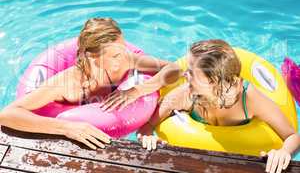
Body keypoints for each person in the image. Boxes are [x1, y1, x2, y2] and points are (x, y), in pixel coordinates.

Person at [0, 18, 181, 150]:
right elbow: (7, 114)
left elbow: (173, 69)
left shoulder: (125, 58)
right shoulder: (68, 82)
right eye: (115, 55)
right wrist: (68, 127)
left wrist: (137, 91)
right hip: (70, 147)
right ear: (91, 56)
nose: (123, 57)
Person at [136, 39, 300, 173]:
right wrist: (147, 137)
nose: (185, 75)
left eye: (191, 72)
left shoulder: (248, 98)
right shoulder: (185, 94)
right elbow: (148, 124)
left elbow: (293, 136)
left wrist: (283, 152)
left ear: (212, 82)